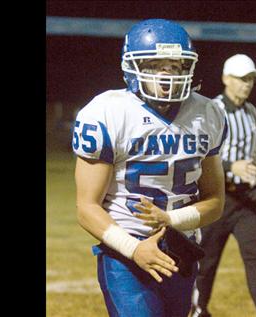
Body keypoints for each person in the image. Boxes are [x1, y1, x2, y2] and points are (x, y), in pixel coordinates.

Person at [72, 19, 228, 317]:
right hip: (125, 253)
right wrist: (133, 248)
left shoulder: (208, 113)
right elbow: (86, 207)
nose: (168, 74)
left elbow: (215, 201)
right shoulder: (107, 112)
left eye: (176, 64)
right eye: (157, 64)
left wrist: (171, 218)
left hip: (180, 248)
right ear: (134, 67)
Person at [191, 54, 256, 317]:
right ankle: (199, 311)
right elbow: (198, 156)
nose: (247, 84)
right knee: (205, 264)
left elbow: (249, 154)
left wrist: (249, 175)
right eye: (242, 79)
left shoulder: (252, 112)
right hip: (217, 200)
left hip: (248, 201)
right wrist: (232, 167)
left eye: (250, 79)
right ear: (225, 79)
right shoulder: (210, 111)